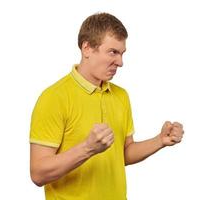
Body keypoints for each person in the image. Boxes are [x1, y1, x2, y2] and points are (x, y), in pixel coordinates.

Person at [29, 12, 184, 200]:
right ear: (87, 48)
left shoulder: (121, 96)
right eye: (113, 52)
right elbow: (38, 174)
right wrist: (88, 148)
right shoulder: (54, 98)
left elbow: (123, 154)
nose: (120, 62)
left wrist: (159, 141)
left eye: (122, 53)